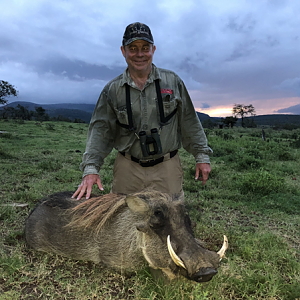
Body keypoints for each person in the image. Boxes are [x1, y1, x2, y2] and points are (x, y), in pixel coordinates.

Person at [72, 22, 212, 200]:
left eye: (145, 48)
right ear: (123, 51)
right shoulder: (112, 89)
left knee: (170, 221)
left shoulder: (173, 81)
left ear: (153, 50)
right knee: (123, 220)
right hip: (128, 167)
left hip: (167, 166)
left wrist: (201, 156)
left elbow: (189, 121)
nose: (140, 54)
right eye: (133, 48)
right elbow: (100, 130)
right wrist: (91, 169)